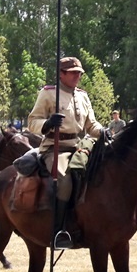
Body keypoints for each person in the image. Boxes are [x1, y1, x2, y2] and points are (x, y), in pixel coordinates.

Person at [27, 56, 104, 248]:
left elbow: (91, 124)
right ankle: (58, 230)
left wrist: (104, 132)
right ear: (61, 74)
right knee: (64, 180)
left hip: (79, 146)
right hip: (55, 148)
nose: (77, 76)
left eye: (79, 73)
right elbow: (32, 122)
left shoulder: (83, 95)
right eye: (73, 73)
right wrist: (48, 123)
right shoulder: (48, 94)